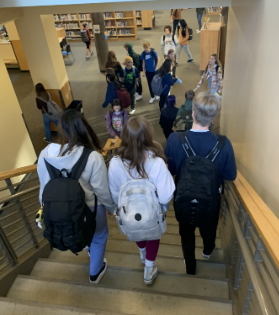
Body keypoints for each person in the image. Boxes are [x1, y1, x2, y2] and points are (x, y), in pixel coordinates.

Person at [37, 110, 117, 283]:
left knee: (79, 229)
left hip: (58, 208)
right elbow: (102, 190)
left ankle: (87, 247)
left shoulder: (45, 155)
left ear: (61, 130)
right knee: (99, 235)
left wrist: (46, 209)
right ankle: (95, 273)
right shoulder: (92, 157)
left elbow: (44, 187)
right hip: (91, 209)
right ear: (84, 128)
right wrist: (112, 208)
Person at [165, 92, 237, 275]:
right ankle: (207, 250)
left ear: (193, 113)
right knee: (209, 228)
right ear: (213, 117)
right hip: (211, 199)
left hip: (184, 197)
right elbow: (231, 175)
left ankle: (190, 267)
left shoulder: (174, 139)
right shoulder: (224, 144)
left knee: (186, 233)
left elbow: (171, 171)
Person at [108, 116, 175, 284]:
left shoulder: (115, 163)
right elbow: (166, 196)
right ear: (148, 135)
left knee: (136, 220)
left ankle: (142, 253)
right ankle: (149, 268)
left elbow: (116, 194)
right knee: (152, 230)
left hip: (129, 212)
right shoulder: (157, 162)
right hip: (153, 211)